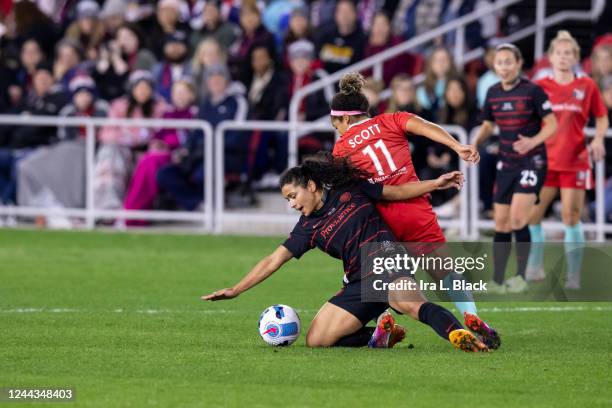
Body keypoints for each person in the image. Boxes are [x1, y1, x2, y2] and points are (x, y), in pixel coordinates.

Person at [203, 155, 488, 352]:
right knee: (317, 340)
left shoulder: (349, 189)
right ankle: (379, 336)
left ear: (311, 186)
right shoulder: (307, 228)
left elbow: (395, 192)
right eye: (286, 199)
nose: (291, 204)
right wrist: (236, 289)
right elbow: (273, 259)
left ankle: (456, 333)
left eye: (293, 196)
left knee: (411, 304)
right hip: (357, 282)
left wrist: (435, 183)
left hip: (387, 260)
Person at [329, 73, 501, 350]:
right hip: (416, 208)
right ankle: (472, 315)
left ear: (345, 119)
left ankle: (385, 322)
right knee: (445, 272)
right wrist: (457, 146)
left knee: (376, 279)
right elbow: (422, 125)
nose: (335, 128)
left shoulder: (340, 150)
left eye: (334, 121)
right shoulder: (389, 120)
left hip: (380, 220)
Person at [472, 43, 558, 293]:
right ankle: (498, 281)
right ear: (494, 66)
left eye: (509, 61)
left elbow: (552, 124)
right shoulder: (492, 92)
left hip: (533, 162)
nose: (504, 67)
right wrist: (475, 143)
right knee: (501, 223)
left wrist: (532, 141)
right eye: (500, 62)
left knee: (519, 218)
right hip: (506, 162)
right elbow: (488, 125)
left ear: (519, 63)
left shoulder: (533, 91)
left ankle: (520, 277)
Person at [527, 31, 609, 289]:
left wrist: (597, 139)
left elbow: (602, 116)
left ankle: (573, 275)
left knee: (570, 217)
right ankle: (535, 268)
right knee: (533, 215)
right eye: (558, 53)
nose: (563, 57)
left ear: (575, 57)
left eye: (568, 53)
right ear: (551, 57)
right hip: (545, 161)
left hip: (574, 161)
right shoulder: (541, 88)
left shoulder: (586, 86)